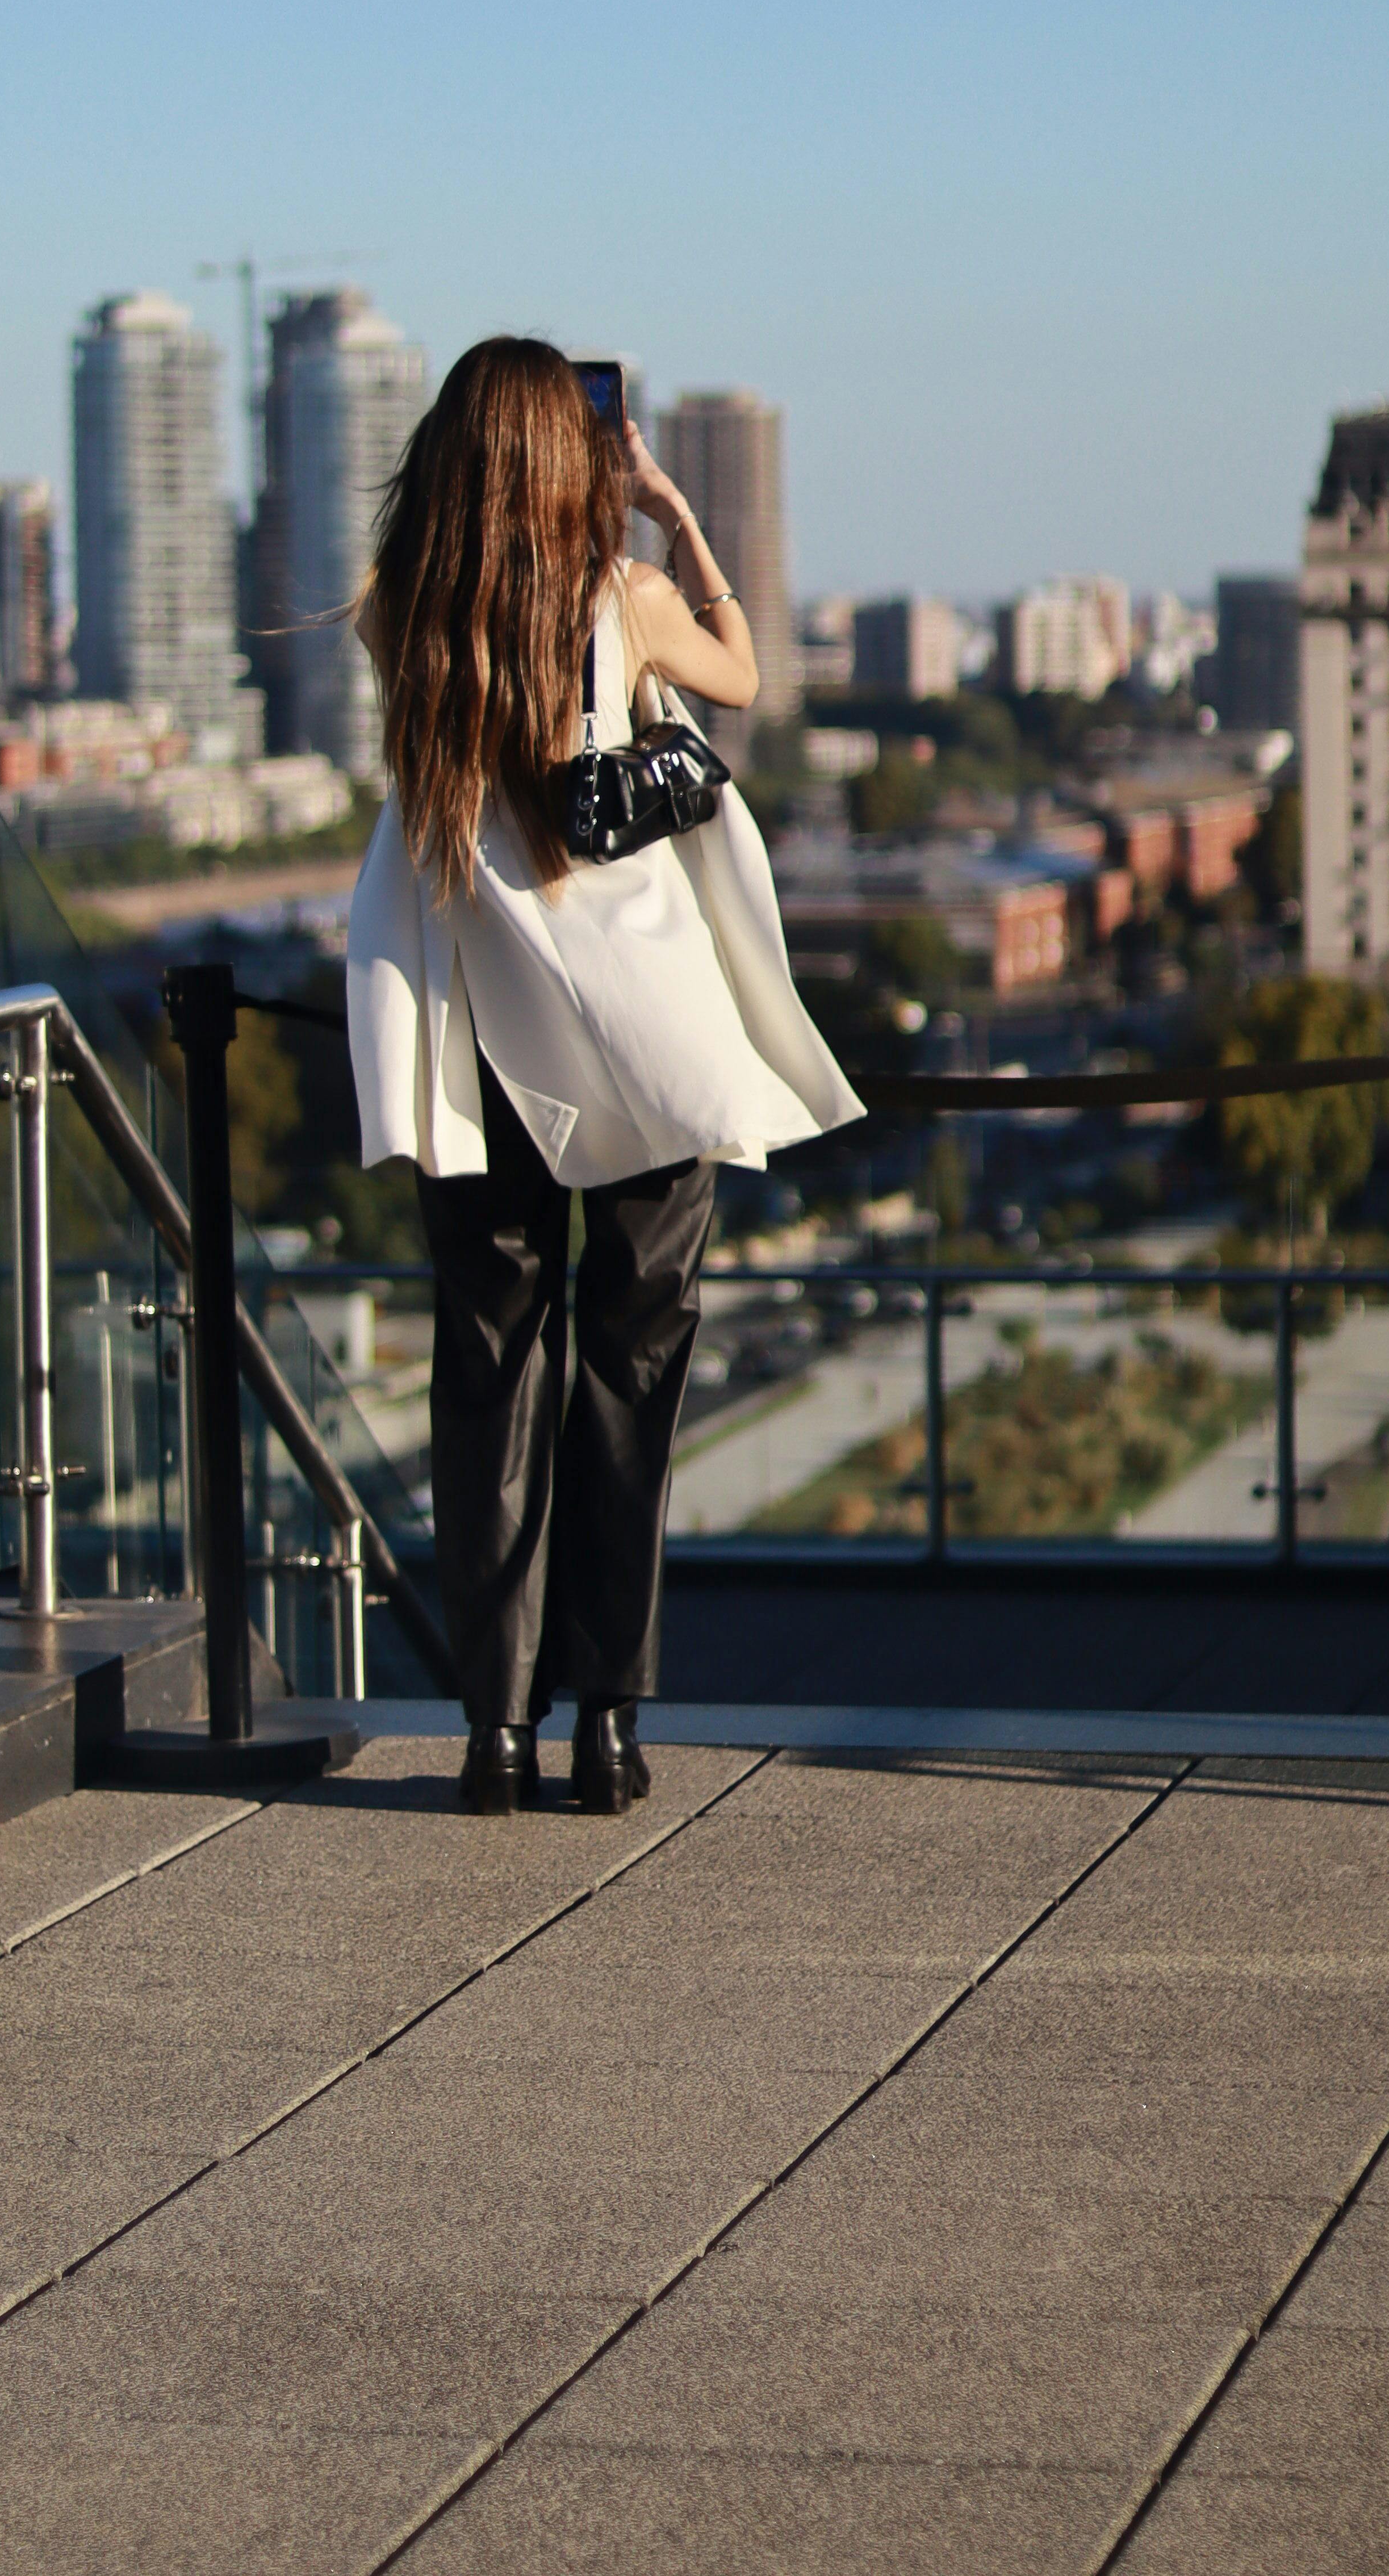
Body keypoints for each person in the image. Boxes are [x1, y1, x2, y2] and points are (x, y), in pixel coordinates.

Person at [346, 338, 861, 1814]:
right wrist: (673, 517)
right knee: (633, 1377)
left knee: (488, 1377)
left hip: (483, 1055)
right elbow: (748, 679)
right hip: (643, 1051)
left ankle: (495, 1735)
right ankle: (607, 1725)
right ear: (579, 460)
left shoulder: (406, 621)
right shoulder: (626, 604)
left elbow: (411, 584)